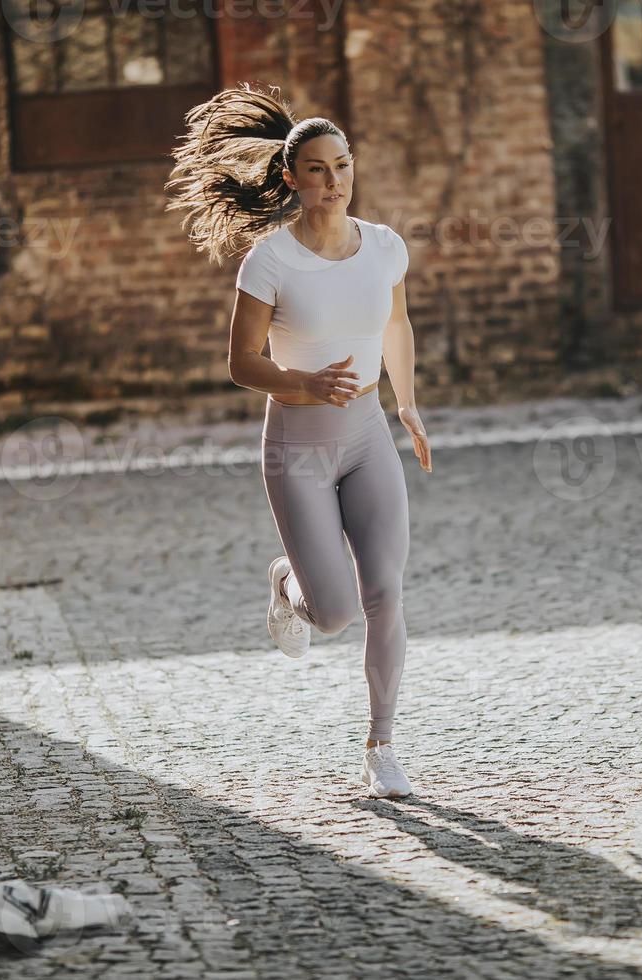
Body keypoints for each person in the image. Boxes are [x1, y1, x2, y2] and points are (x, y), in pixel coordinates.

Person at [165, 83, 432, 798]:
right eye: (317, 168)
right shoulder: (270, 262)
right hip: (299, 448)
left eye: (342, 165)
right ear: (292, 178)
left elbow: (396, 326)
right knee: (337, 613)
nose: (333, 180)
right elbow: (240, 362)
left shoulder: (384, 247)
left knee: (385, 592)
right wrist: (307, 384)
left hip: (369, 437)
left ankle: (381, 747)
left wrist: (406, 404)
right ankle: (287, 580)